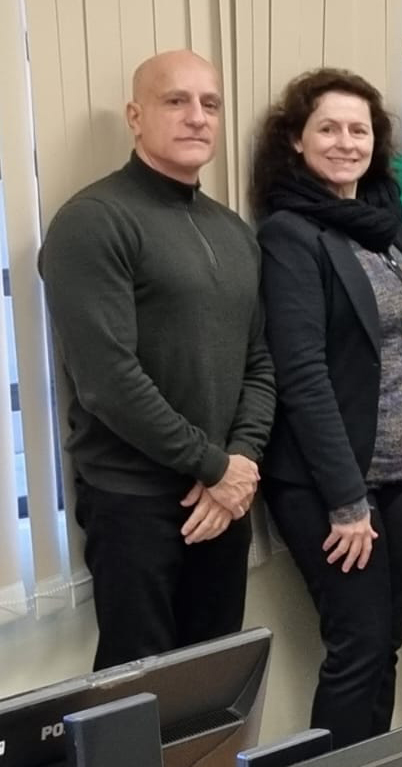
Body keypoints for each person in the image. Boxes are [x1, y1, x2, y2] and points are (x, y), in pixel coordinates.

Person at [252, 68, 402, 747]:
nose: (346, 142)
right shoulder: (290, 236)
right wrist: (347, 501)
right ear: (296, 140)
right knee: (357, 649)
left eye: (359, 130)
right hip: (331, 487)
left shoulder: (388, 228)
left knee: (385, 646)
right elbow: (303, 375)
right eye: (329, 128)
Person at [39, 50, 274, 669]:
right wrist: (214, 466)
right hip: (134, 501)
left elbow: (259, 361)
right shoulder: (92, 222)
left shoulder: (233, 232)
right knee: (135, 696)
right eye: (177, 100)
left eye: (210, 104)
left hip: (225, 497)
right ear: (135, 117)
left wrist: (240, 465)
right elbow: (108, 381)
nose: (197, 116)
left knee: (214, 683)